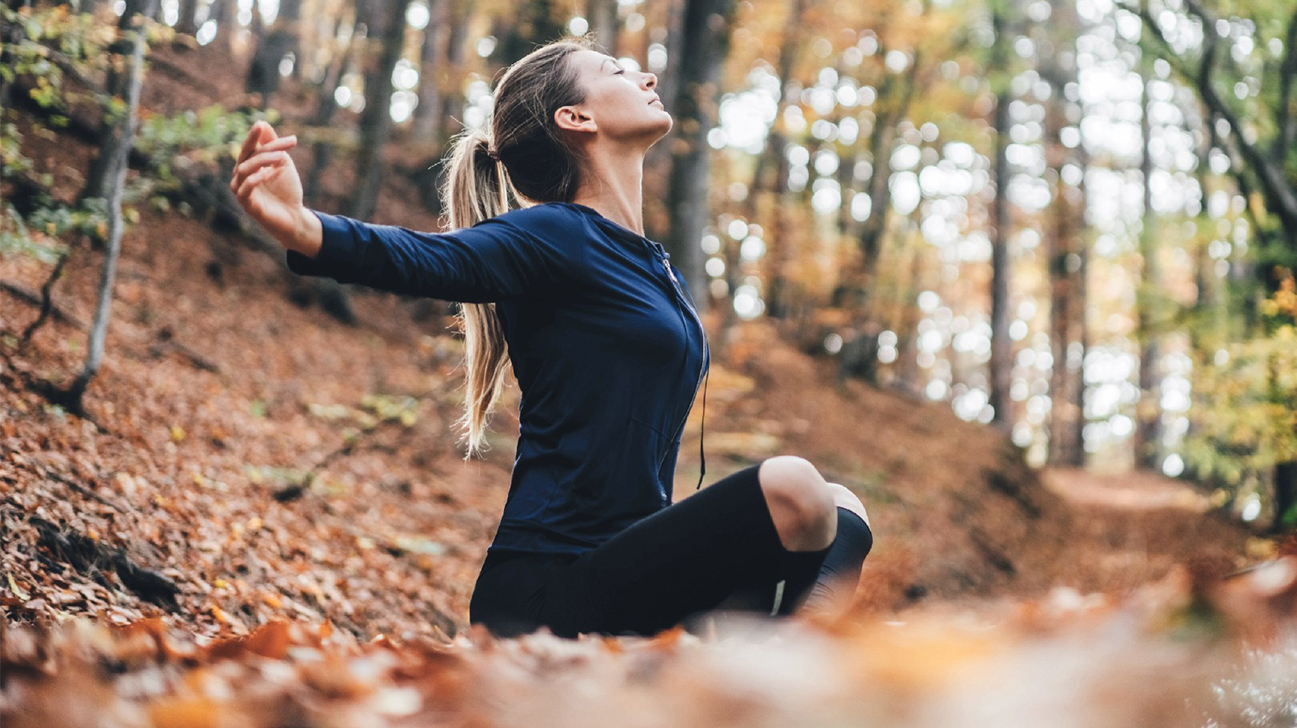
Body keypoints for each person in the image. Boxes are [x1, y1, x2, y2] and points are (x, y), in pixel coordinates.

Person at [228, 35, 873, 638]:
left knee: (843, 510)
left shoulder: (650, 263)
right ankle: (790, 664)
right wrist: (303, 226)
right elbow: (431, 258)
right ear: (577, 118)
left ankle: (782, 665)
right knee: (793, 486)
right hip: (548, 588)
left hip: (633, 570)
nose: (644, 74)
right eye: (615, 72)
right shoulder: (555, 233)